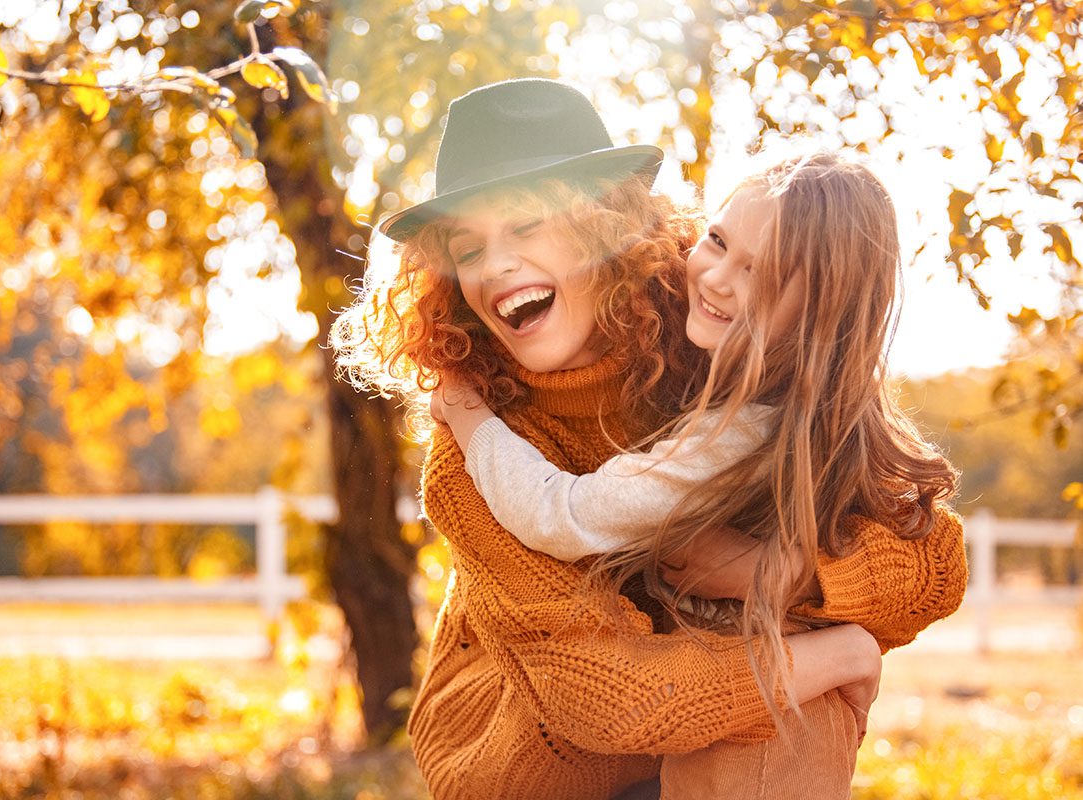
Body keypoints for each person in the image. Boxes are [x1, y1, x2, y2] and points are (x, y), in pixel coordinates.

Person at [333, 78, 966, 800]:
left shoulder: (723, 344)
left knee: (793, 706)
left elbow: (933, 565)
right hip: (538, 768)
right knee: (791, 682)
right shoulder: (475, 451)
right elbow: (609, 702)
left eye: (528, 225)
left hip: (697, 749)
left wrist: (788, 575)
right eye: (468, 249)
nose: (497, 266)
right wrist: (839, 652)